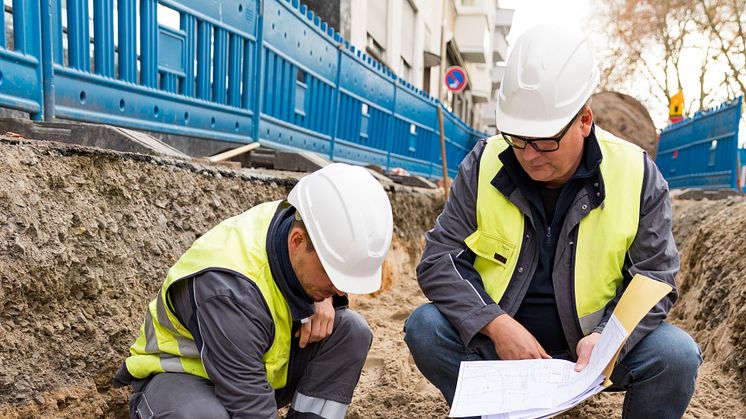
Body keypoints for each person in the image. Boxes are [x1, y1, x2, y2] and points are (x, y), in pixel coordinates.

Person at [404, 23, 701, 418]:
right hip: (502, 346)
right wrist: (495, 325)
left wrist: (605, 339)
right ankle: (496, 410)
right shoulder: (483, 162)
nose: (529, 155)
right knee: (424, 327)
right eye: (518, 138)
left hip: (590, 353)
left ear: (584, 120)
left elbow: (655, 277)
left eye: (545, 141)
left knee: (676, 355)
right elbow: (438, 260)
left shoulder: (636, 173)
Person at [113, 163, 393, 419]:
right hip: (182, 378)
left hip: (255, 367)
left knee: (350, 331)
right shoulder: (229, 292)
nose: (340, 289)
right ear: (297, 242)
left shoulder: (296, 221)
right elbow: (252, 410)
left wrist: (324, 295)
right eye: (333, 275)